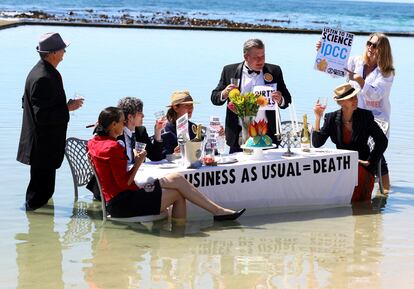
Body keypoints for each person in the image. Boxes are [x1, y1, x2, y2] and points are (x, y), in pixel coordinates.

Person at [87, 106, 245, 221]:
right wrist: (138, 162)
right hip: (123, 203)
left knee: (176, 179)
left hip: (113, 200)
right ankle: (189, 230)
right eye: (122, 122)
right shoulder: (113, 147)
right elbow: (124, 183)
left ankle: (217, 212)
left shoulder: (94, 142)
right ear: (113, 125)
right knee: (178, 195)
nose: (124, 124)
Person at [316, 33, 395, 193]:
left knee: (377, 152)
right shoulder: (356, 61)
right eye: (369, 43)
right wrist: (323, 52)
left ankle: (385, 190)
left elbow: (376, 94)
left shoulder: (387, 72)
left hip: (376, 117)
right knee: (357, 148)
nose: (371, 48)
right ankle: (361, 185)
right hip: (354, 114)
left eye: (375, 45)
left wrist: (360, 80)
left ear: (383, 49)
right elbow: (334, 70)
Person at [16, 32, 84, 210]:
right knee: (40, 194)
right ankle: (35, 232)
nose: (64, 53)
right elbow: (42, 116)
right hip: (43, 146)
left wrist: (64, 106)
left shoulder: (41, 72)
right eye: (62, 49)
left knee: (42, 191)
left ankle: (37, 229)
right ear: (53, 53)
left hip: (43, 145)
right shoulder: (43, 77)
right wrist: (67, 108)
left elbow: (27, 103)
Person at [211, 38, 292, 153]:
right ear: (246, 57)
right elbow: (214, 98)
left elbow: (287, 100)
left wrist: (280, 99)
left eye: (263, 56)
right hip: (238, 135)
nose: (261, 61)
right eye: (256, 57)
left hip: (267, 135)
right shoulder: (229, 70)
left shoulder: (274, 70)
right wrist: (224, 93)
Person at [312, 83, 388, 203]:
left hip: (362, 165)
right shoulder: (331, 118)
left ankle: (359, 212)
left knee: (357, 181)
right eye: (351, 98)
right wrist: (317, 117)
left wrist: (370, 161)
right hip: (342, 166)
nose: (356, 100)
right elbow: (317, 143)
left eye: (356, 97)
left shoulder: (365, 116)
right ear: (341, 102)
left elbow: (382, 141)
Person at [117, 96, 165, 164]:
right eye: (140, 113)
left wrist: (158, 131)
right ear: (130, 117)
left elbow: (156, 157)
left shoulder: (141, 131)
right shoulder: (117, 133)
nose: (143, 115)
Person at [162, 90, 198, 155]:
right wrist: (174, 154)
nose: (190, 108)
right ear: (175, 107)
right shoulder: (165, 129)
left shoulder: (194, 127)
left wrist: (218, 136)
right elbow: (161, 156)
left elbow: (210, 150)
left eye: (191, 105)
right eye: (187, 105)